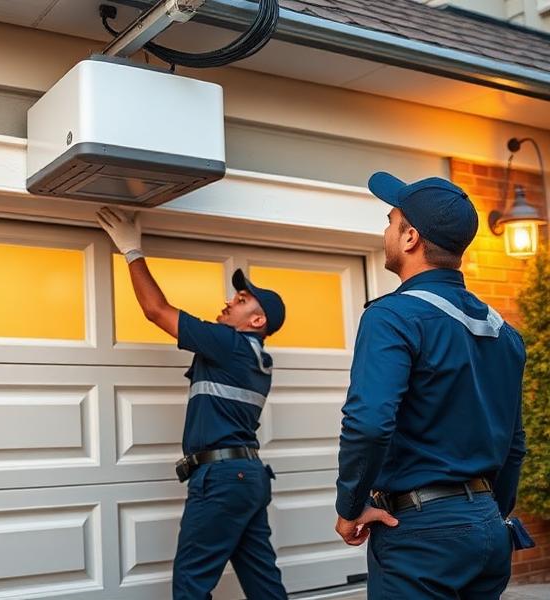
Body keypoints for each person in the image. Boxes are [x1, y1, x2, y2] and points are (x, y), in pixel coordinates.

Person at [334, 172, 526, 599]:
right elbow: (514, 444)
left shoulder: (392, 317)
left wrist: (350, 507)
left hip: (421, 536)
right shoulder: (505, 334)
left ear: (410, 239)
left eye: (390, 220)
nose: (385, 230)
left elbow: (368, 424)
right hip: (489, 529)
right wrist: (489, 512)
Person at [96, 206, 288, 600]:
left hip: (222, 479)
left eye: (242, 299)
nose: (230, 302)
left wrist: (131, 250)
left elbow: (157, 311)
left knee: (191, 584)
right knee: (263, 583)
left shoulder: (230, 346)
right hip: (246, 478)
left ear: (256, 322)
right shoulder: (255, 359)